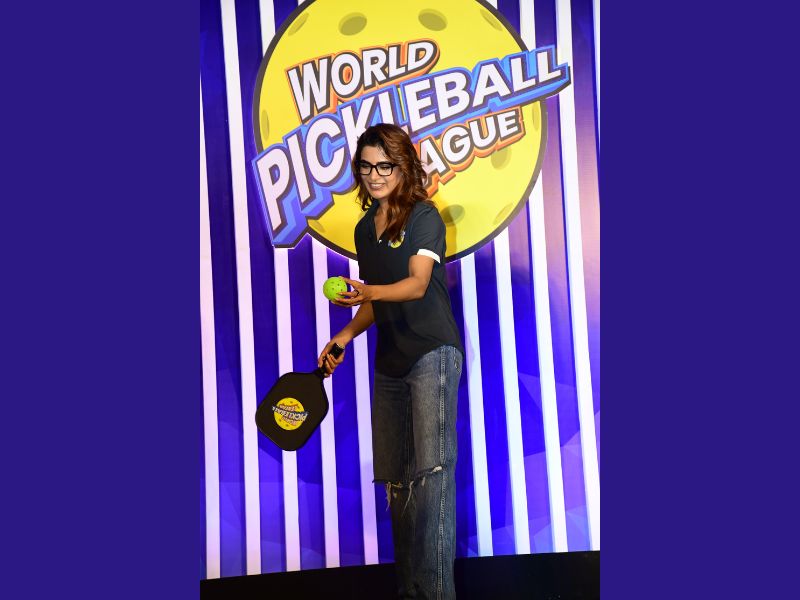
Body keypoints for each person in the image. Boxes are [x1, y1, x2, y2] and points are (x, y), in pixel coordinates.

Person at [318, 123, 464, 599]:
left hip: (432, 352)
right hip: (391, 362)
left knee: (432, 477)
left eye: (385, 166)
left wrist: (369, 292)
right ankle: (410, 592)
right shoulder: (364, 229)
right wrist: (344, 335)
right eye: (366, 167)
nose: (375, 175)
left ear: (404, 167)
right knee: (398, 483)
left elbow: (416, 284)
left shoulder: (423, 216)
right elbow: (375, 299)